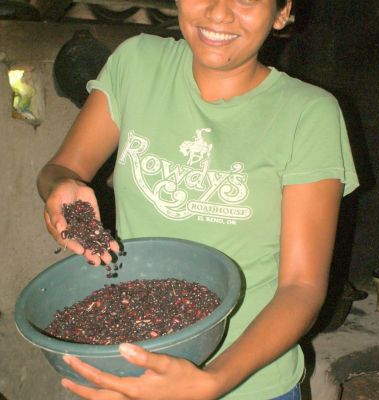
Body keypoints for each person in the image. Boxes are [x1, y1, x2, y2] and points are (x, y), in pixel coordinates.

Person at [37, 0, 359, 398]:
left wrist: (211, 381)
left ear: (281, 11)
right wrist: (60, 190)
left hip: (249, 384)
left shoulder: (308, 114)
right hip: (126, 366)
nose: (218, 13)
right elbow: (62, 168)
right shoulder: (137, 64)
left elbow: (302, 286)